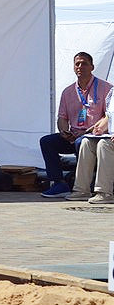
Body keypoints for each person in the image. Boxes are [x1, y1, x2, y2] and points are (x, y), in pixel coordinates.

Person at [40, 52, 112, 198]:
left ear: (92, 67)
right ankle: (58, 183)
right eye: (77, 64)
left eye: (84, 63)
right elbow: (62, 117)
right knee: (47, 142)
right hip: (73, 135)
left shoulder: (106, 88)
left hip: (94, 136)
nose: (80, 67)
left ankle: (86, 184)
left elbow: (109, 116)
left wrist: (88, 130)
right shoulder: (68, 92)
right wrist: (63, 131)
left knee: (82, 142)